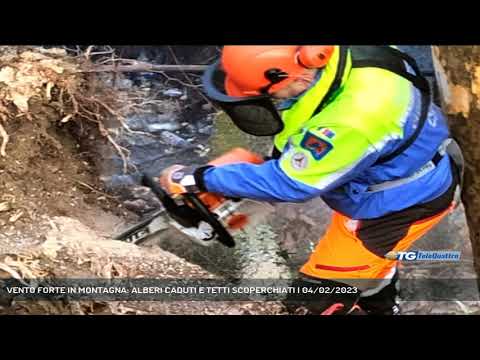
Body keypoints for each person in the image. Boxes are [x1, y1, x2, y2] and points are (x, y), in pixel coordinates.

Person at [158, 46, 464, 315]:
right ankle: (376, 298)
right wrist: (239, 182)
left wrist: (201, 178)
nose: (268, 102)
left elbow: (292, 183)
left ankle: (366, 289)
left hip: (399, 206)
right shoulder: (339, 61)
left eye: (266, 95)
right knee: (370, 272)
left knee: (311, 303)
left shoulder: (354, 118)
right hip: (387, 173)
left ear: (298, 78)